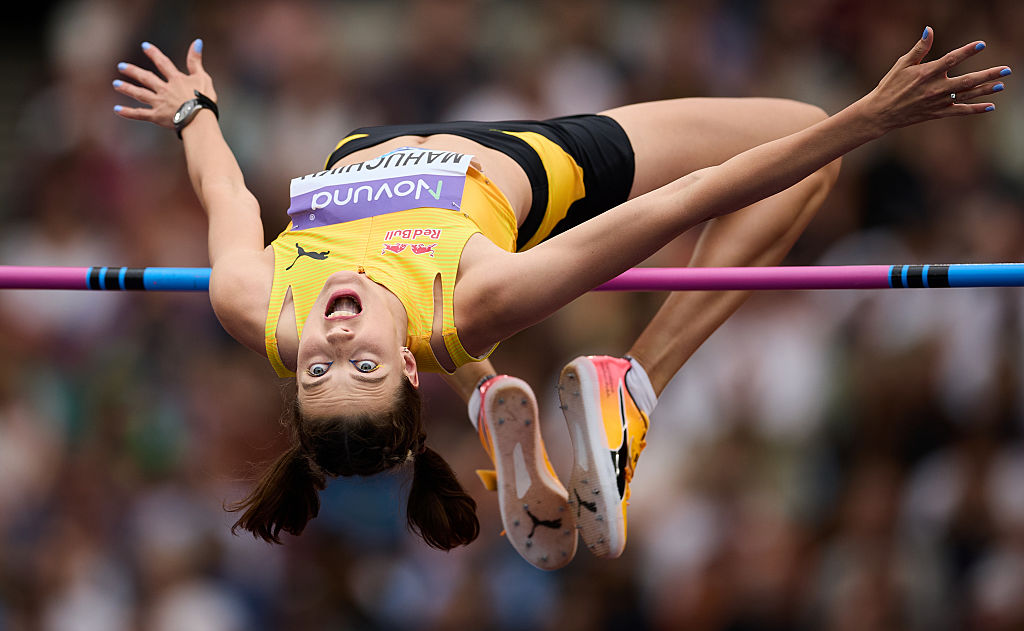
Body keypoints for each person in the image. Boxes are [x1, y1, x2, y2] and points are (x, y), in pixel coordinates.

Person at [112, 29, 1008, 569]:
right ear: (406, 369)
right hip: (534, 160)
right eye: (365, 365)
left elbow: (225, 192)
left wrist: (194, 113)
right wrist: (865, 120)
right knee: (808, 145)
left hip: (367, 142)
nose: (338, 339)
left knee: (437, 328)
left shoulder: (252, 300)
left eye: (320, 368)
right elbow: (688, 200)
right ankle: (635, 384)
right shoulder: (484, 294)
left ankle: (498, 413)